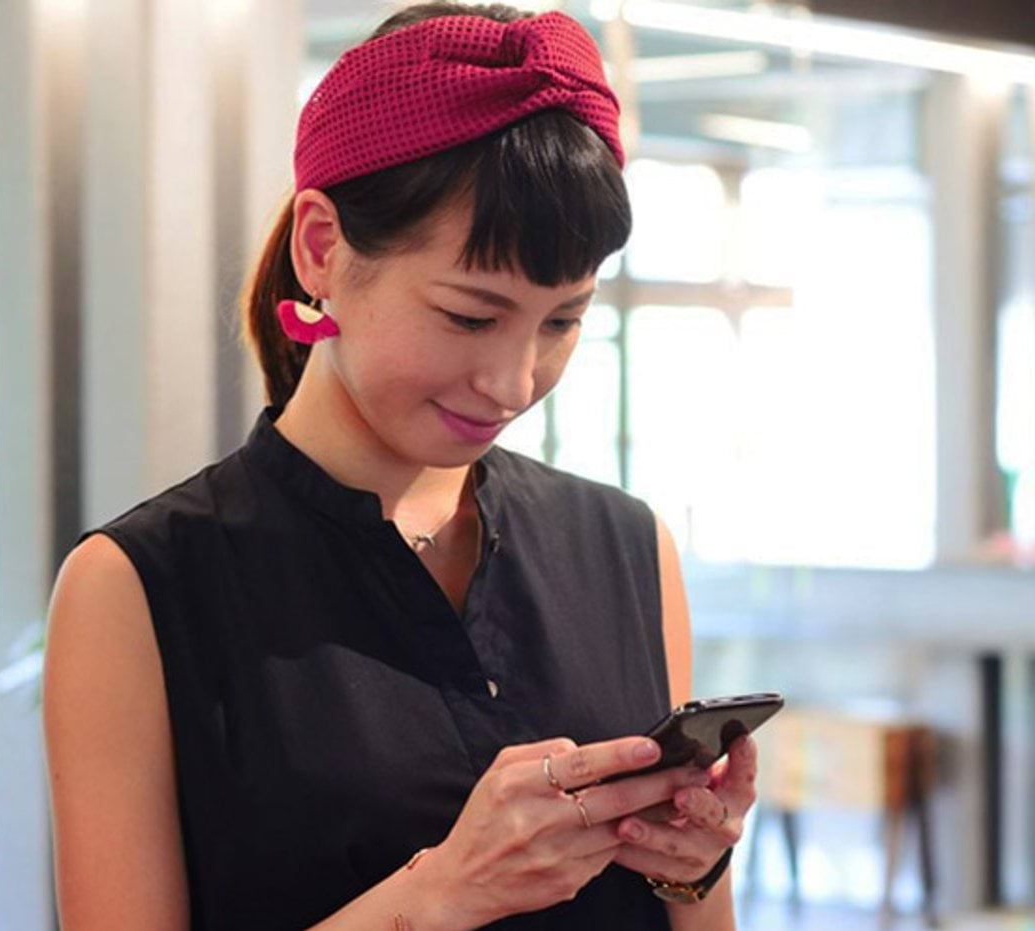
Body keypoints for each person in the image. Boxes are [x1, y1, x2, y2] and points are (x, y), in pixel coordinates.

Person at [42, 3, 758, 929]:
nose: (514, 380)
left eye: (563, 321)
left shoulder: (625, 546)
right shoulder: (140, 587)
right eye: (469, 315)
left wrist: (689, 867)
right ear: (322, 248)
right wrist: (442, 891)